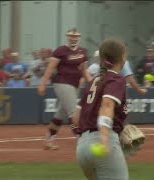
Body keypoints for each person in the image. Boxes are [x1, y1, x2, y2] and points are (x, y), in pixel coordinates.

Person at [74, 38, 129, 180]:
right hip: (101, 141)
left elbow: (76, 117)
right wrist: (104, 137)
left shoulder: (93, 81)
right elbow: (107, 104)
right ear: (122, 56)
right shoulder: (115, 79)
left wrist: (84, 140)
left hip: (82, 147)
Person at [37, 28, 92, 150]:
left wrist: (93, 83)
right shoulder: (60, 51)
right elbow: (50, 68)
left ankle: (49, 140)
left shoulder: (82, 51)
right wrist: (43, 84)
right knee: (74, 113)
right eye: (71, 36)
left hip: (75, 84)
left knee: (60, 114)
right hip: (62, 83)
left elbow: (85, 70)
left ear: (79, 37)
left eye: (76, 36)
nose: (73, 38)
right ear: (67, 37)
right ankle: (81, 139)